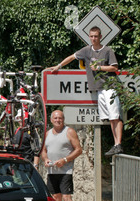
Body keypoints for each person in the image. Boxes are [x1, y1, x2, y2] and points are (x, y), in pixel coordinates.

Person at [48, 26, 123, 156]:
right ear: (89, 37)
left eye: (96, 36)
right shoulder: (86, 50)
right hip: (98, 89)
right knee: (110, 118)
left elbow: (114, 68)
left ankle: (119, 144)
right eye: (91, 36)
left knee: (115, 116)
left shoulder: (107, 50)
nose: (94, 39)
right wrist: (58, 66)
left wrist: (99, 67)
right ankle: (116, 144)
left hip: (110, 86)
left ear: (100, 37)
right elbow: (72, 57)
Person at [41, 110, 82, 201]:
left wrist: (65, 160)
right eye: (56, 118)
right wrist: (45, 159)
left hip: (65, 171)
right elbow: (43, 150)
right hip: (52, 171)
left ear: (63, 119)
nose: (58, 120)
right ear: (51, 119)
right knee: (55, 198)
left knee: (66, 197)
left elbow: (78, 149)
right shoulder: (47, 134)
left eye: (60, 118)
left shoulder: (69, 132)